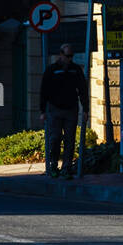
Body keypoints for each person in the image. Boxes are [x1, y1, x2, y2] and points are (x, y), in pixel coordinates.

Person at [38, 43, 88, 179]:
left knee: (70, 139)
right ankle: (54, 164)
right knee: (54, 138)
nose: (70, 59)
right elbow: (44, 91)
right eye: (67, 56)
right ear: (61, 55)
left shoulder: (75, 70)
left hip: (71, 108)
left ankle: (66, 167)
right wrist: (42, 111)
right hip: (54, 109)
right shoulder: (52, 70)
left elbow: (83, 89)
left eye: (71, 56)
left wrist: (85, 109)